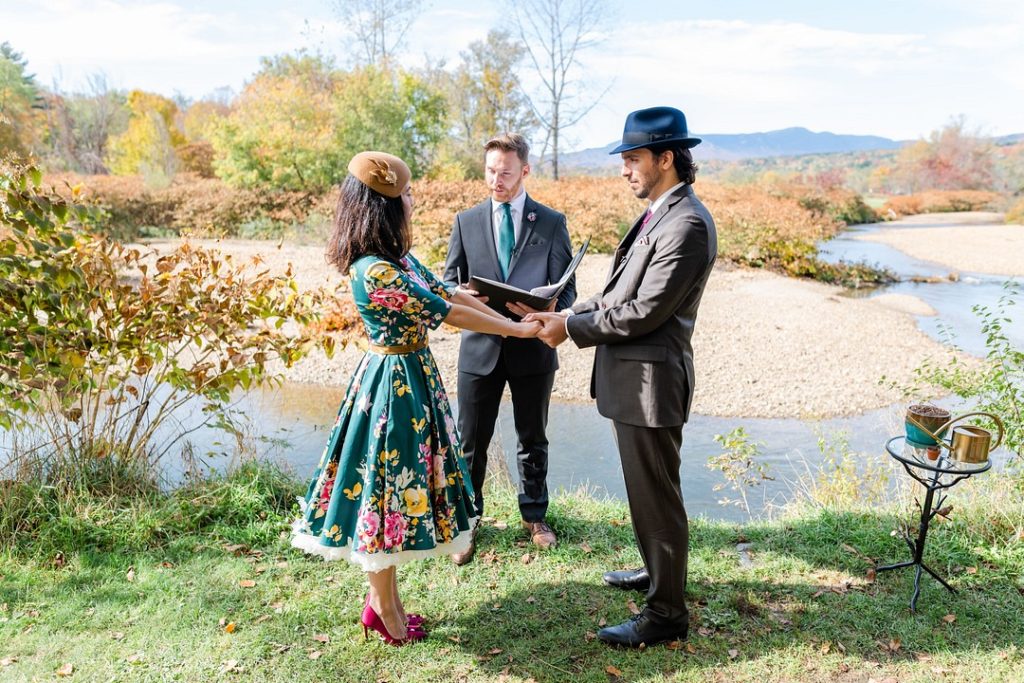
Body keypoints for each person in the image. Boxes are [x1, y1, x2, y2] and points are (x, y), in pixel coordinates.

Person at [290, 151, 541, 646]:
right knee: (384, 491)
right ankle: (384, 608)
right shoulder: (373, 270)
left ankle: (384, 603)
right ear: (381, 206)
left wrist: (513, 308)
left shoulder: (395, 259)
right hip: (390, 387)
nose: (411, 201)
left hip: (412, 376)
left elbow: (447, 291)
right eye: (405, 195)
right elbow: (447, 312)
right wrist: (515, 328)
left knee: (394, 487)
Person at [518, 106, 717, 647]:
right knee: (645, 490)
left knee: (657, 496)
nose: (625, 169)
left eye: (632, 159)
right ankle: (658, 574)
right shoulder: (660, 212)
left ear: (666, 158)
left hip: (652, 384)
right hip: (633, 380)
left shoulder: (688, 224)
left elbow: (645, 312)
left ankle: (667, 614)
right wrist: (564, 310)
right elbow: (616, 292)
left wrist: (570, 329)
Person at [442, 133, 576, 564]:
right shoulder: (465, 220)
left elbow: (568, 288)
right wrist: (461, 294)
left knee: (532, 438)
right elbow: (446, 284)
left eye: (504, 172)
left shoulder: (552, 222)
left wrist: (555, 305)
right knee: (469, 442)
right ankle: (468, 522)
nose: (495, 180)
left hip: (532, 348)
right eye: (489, 171)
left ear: (524, 171)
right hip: (479, 347)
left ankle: (535, 516)